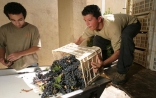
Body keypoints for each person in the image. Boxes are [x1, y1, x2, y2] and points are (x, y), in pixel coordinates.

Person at [75, 5, 141, 85]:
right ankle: (103, 64)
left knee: (125, 37)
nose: (87, 24)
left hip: (132, 24)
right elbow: (80, 40)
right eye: (85, 20)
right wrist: (68, 50)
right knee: (97, 38)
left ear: (99, 19)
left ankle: (122, 73)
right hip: (116, 27)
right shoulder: (91, 28)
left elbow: (118, 52)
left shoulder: (112, 28)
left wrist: (103, 63)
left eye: (89, 20)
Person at [0, 2, 41, 70]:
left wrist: (19, 54)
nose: (17, 23)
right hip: (12, 66)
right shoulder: (3, 29)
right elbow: (1, 46)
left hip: (31, 65)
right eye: (13, 20)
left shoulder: (32, 29)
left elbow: (37, 47)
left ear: (24, 17)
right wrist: (2, 58)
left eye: (20, 20)